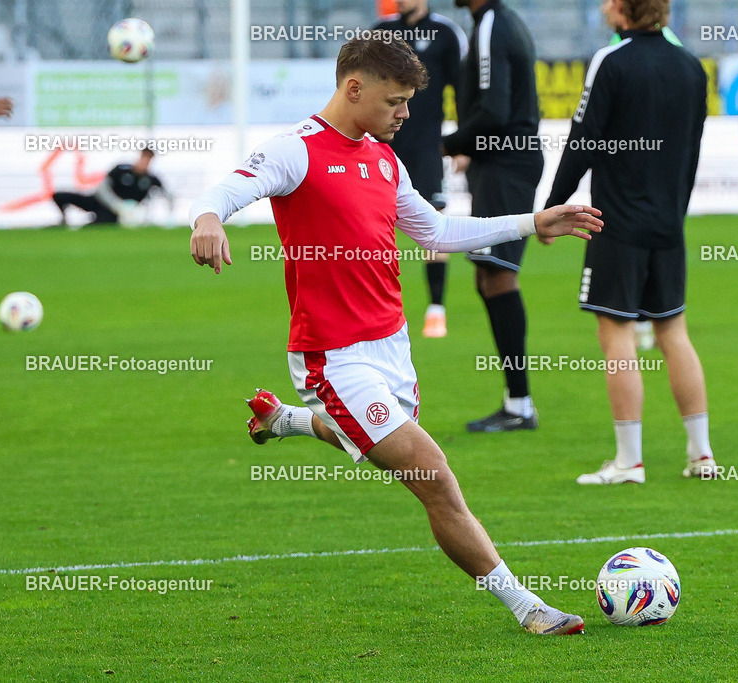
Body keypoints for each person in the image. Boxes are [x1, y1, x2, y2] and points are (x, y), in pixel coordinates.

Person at [188, 37, 601, 634]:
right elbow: (226, 189)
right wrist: (207, 218)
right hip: (333, 355)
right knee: (433, 477)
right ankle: (529, 608)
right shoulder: (295, 151)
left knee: (378, 443)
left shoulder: (384, 159)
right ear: (354, 89)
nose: (406, 114)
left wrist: (530, 221)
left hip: (392, 345)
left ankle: (286, 420)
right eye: (397, 101)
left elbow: (434, 232)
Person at [544, 0, 716, 484]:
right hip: (667, 224)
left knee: (616, 335)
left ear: (624, 9)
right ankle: (702, 455)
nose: (602, 7)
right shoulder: (690, 66)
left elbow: (583, 140)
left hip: (616, 224)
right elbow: (692, 147)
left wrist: (553, 207)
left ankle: (629, 462)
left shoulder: (611, 60)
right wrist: (674, 213)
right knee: (673, 332)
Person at [442, 0, 543, 432]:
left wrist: (447, 145)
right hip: (497, 163)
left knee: (498, 275)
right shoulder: (494, 23)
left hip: (506, 164)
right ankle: (515, 400)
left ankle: (520, 404)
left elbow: (495, 112)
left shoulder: (492, 25)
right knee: (488, 275)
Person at [374, 0, 468, 338]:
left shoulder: (445, 33)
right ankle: (377, 309)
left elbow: (463, 90)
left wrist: (462, 143)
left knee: (433, 227)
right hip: (381, 147)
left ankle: (436, 309)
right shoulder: (382, 34)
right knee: (370, 227)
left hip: (428, 148)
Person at [52, 149, 169, 227]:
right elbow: (102, 188)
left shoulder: (151, 179)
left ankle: (76, 229)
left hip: (116, 214)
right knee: (59, 196)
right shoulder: (122, 169)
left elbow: (167, 194)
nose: (145, 162)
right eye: (144, 158)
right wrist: (116, 204)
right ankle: (64, 220)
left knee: (97, 226)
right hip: (99, 201)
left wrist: (169, 218)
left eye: (148, 160)